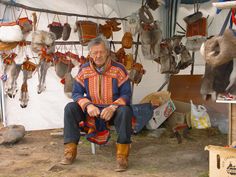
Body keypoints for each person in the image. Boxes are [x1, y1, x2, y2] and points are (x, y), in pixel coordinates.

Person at [60, 35, 133, 172]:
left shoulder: (119, 69)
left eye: (101, 52)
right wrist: (88, 105)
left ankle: (122, 156)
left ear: (107, 52)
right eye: (95, 52)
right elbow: (76, 93)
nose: (98, 55)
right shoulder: (84, 69)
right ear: (90, 54)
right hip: (92, 112)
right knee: (70, 108)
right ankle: (70, 151)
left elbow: (127, 94)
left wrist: (113, 107)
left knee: (126, 111)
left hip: (112, 111)